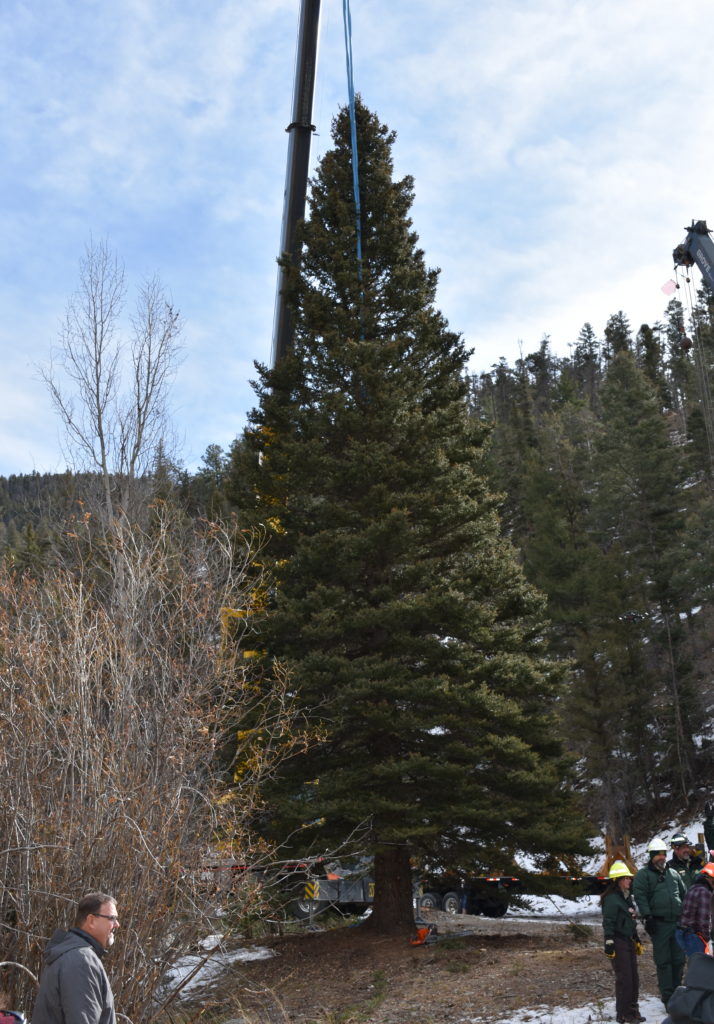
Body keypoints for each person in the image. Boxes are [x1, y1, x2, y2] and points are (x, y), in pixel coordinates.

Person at [32, 892, 119, 1024]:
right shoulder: (81, 961)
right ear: (91, 921)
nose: (117, 924)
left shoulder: (73, 956)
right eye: (112, 918)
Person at [632, 838, 686, 1007]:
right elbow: (640, 897)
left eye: (663, 854)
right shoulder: (643, 875)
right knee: (664, 962)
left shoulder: (674, 874)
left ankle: (678, 994)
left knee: (678, 960)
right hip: (659, 924)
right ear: (651, 856)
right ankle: (668, 999)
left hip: (677, 924)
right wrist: (647, 917)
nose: (661, 857)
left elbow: (684, 895)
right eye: (657, 855)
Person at [601, 860, 645, 1024]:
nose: (630, 880)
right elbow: (609, 922)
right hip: (618, 941)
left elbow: (630, 920)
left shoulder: (626, 898)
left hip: (628, 941)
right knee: (625, 978)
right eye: (626, 878)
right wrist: (609, 942)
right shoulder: (612, 899)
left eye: (629, 878)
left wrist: (636, 938)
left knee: (634, 977)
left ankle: (633, 1011)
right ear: (618, 880)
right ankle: (623, 1014)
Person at [676, 861, 714, 957]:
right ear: (709, 878)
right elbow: (704, 920)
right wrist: (708, 940)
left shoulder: (694, 887)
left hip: (682, 932)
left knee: (692, 965)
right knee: (700, 967)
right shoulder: (705, 892)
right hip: (694, 937)